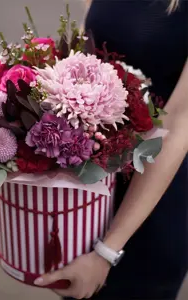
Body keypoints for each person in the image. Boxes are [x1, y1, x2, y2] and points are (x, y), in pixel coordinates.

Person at [32, 1, 188, 299]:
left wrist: (107, 251)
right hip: (92, 183)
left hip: (151, 202)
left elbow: (179, 127)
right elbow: (77, 62)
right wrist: (20, 195)